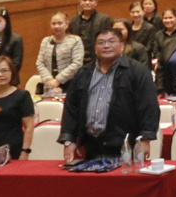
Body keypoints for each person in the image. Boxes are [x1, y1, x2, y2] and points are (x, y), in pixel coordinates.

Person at [57, 26, 160, 163]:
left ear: (122, 46)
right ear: (95, 48)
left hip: (126, 145)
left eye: (112, 41)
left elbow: (149, 106)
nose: (106, 46)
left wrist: (145, 139)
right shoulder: (84, 73)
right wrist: (68, 140)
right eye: (101, 42)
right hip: (91, 146)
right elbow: (71, 108)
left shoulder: (137, 71)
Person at [36, 13, 83, 98]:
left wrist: (58, 80)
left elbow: (77, 64)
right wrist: (49, 80)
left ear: (66, 24)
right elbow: (40, 63)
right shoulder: (45, 41)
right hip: (50, 86)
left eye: (60, 23)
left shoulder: (75, 41)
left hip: (70, 85)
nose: (56, 26)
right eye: (53, 24)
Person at [69, 0, 110, 64]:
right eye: (84, 0)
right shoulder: (73, 21)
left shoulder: (104, 19)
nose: (87, 3)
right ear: (80, 2)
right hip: (78, 59)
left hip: (98, 59)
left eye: (90, 0)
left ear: (96, 3)